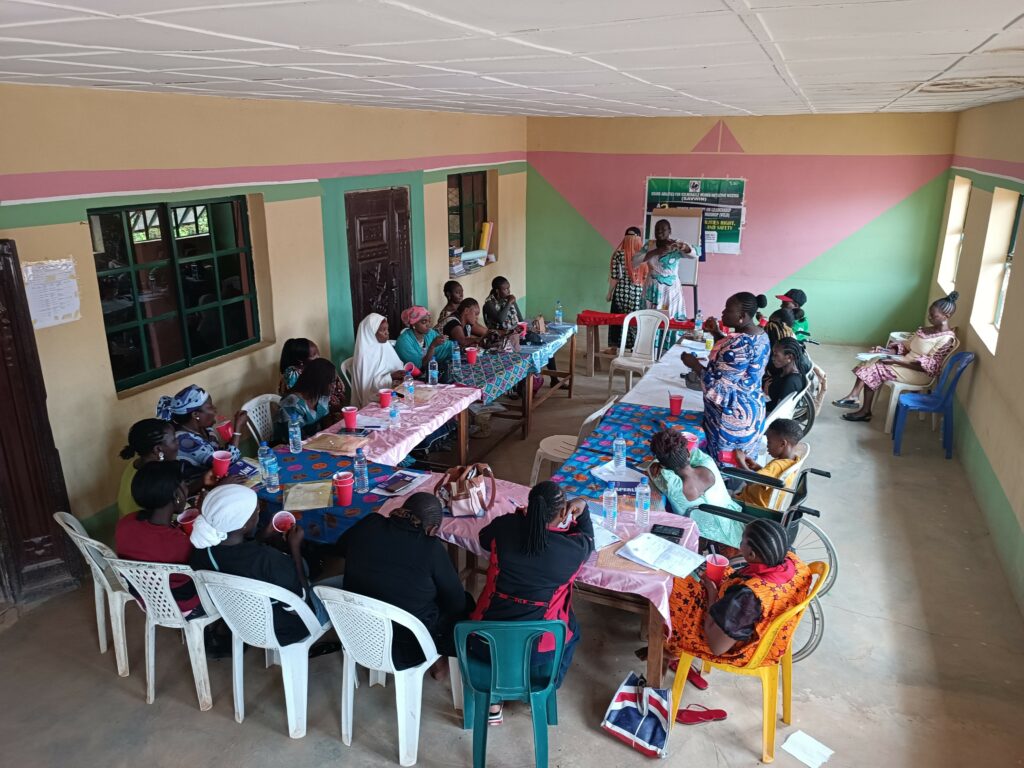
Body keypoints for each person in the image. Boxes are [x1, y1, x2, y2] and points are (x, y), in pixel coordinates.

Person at [470, 481, 594, 722]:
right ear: (563, 514)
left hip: (483, 640)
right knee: (572, 630)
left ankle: (493, 703)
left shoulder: (505, 527)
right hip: (539, 652)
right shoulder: (573, 549)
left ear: (529, 506)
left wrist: (520, 518)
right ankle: (545, 689)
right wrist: (584, 509)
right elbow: (589, 539)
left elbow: (484, 539)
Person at [338, 494, 472, 673]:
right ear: (432, 529)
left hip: (359, 634)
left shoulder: (370, 522)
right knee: (464, 603)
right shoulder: (430, 548)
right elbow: (456, 603)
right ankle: (439, 664)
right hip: (407, 648)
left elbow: (341, 548)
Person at [189, 485, 330, 646]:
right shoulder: (270, 560)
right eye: (256, 511)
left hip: (240, 624)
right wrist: (295, 548)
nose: (259, 513)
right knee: (321, 583)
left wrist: (261, 537)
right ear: (243, 525)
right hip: (286, 630)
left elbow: (239, 556)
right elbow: (299, 606)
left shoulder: (202, 551)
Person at [666, 519, 811, 666]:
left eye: (742, 542)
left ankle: (669, 649)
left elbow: (717, 647)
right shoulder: (795, 563)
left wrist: (712, 594)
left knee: (672, 588)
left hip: (732, 646)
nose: (739, 546)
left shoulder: (749, 597)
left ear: (752, 554)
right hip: (748, 619)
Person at [834, 291, 959, 422]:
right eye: (929, 314)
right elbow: (907, 347)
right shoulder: (926, 330)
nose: (929, 317)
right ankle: (855, 398)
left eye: (934, 316)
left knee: (875, 368)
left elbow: (930, 368)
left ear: (946, 316)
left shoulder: (946, 339)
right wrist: (885, 352)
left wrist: (896, 362)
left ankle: (862, 408)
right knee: (872, 358)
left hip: (918, 373)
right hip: (904, 363)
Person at [681, 292, 771, 459]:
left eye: (728, 310)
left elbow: (719, 388)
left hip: (732, 417)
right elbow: (734, 355)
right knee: (741, 462)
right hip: (751, 407)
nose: (722, 313)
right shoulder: (760, 334)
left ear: (742, 316)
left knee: (725, 464)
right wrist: (716, 333)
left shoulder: (739, 344)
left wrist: (694, 365)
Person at [115, 461, 200, 615]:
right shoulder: (180, 543)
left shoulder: (125, 523)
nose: (187, 489)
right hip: (180, 605)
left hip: (144, 597)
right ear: (177, 495)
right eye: (185, 485)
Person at [647, 429, 744, 549]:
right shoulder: (707, 462)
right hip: (738, 529)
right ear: (687, 453)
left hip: (704, 542)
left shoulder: (671, 484)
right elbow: (695, 452)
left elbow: (651, 469)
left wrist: (657, 462)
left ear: (663, 465)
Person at [157, 385, 248, 473]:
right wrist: (238, 427)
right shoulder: (185, 441)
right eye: (210, 406)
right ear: (195, 414)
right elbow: (225, 464)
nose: (215, 409)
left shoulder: (206, 429)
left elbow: (221, 453)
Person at [733, 419, 802, 509]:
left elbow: (751, 482)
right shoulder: (794, 460)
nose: (767, 446)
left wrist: (740, 461)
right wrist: (757, 467)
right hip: (758, 502)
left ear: (782, 443)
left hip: (750, 505)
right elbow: (773, 476)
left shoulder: (776, 465)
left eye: (769, 442)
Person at [635, 218, 695, 320]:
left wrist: (684, 247)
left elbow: (693, 255)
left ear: (669, 231)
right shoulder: (650, 245)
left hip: (670, 289)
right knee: (650, 319)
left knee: (670, 318)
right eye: (657, 229)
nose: (659, 231)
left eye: (663, 229)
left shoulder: (676, 244)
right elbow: (635, 260)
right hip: (651, 288)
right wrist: (656, 251)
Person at [117, 419, 179, 518]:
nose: (178, 442)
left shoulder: (135, 464)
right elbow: (174, 513)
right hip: (143, 525)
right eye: (174, 439)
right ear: (158, 449)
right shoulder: (157, 478)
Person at [274, 358, 342, 442]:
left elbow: (327, 426)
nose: (334, 386)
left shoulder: (322, 397)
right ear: (319, 381)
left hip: (316, 442)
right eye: (332, 382)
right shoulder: (292, 404)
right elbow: (294, 440)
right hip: (291, 446)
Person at [350, 313, 406, 408]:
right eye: (383, 330)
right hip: (374, 400)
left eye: (387, 329)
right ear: (370, 333)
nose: (387, 333)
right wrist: (391, 377)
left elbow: (396, 364)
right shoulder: (365, 356)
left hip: (393, 392)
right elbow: (367, 390)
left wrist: (400, 374)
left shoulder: (385, 346)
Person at [278, 337, 345, 409]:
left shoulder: (318, 368)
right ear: (300, 360)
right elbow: (302, 403)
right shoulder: (292, 375)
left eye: (318, 352)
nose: (319, 356)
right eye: (314, 354)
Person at [606, 226, 645, 347]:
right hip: (638, 295)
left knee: (617, 320)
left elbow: (615, 277)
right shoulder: (644, 255)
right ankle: (635, 347)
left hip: (620, 294)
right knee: (635, 321)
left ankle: (614, 347)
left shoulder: (618, 255)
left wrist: (609, 293)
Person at [395, 305, 453, 380]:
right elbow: (420, 367)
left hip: (431, 373)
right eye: (424, 322)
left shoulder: (430, 333)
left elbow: (446, 347)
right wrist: (432, 346)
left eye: (429, 321)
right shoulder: (404, 342)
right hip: (411, 379)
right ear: (414, 324)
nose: (428, 325)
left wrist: (458, 347)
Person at [764, 338, 809, 414]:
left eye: (776, 355)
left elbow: (778, 412)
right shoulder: (785, 370)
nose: (772, 358)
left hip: (766, 411)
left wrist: (766, 395)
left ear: (789, 357)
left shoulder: (791, 382)